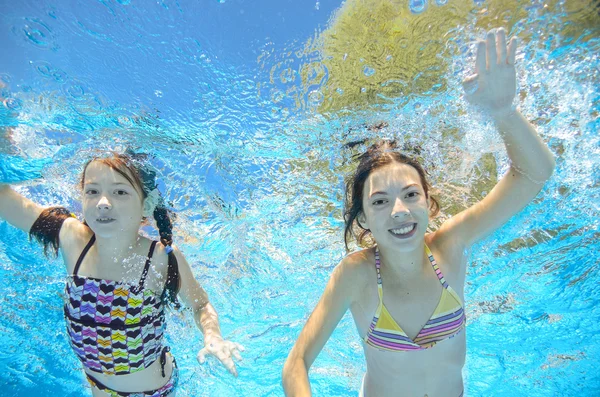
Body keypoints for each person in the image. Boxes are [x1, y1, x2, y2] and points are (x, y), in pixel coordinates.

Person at [282, 28, 555, 397]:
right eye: (379, 201)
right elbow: (296, 363)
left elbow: (534, 173)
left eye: (410, 195)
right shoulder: (357, 274)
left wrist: (504, 113)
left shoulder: (450, 246)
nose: (399, 211)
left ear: (429, 202)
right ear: (362, 218)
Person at [0, 151, 244, 396]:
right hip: (98, 387)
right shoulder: (72, 238)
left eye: (120, 192)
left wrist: (213, 337)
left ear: (146, 205)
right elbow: (5, 200)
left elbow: (200, 303)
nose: (103, 202)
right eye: (92, 191)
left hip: (154, 392)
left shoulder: (160, 258)